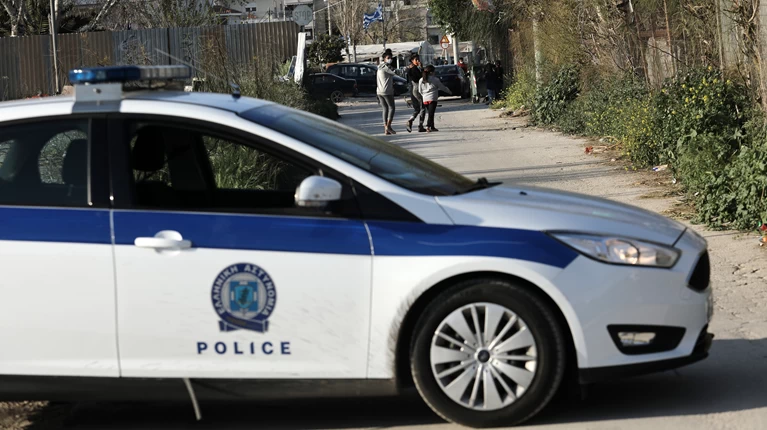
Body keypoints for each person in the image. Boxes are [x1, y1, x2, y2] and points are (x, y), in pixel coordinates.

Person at [418, 64, 452, 133]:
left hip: (425, 99)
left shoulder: (421, 80)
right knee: (431, 114)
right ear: (431, 72)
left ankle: (432, 127)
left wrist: (424, 95)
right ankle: (428, 126)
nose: (434, 73)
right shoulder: (435, 79)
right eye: (434, 72)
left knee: (430, 113)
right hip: (432, 98)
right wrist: (449, 92)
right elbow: (442, 87)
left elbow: (419, 90)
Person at [377, 49, 398, 135]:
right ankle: (388, 126)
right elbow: (395, 73)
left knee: (385, 108)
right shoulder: (386, 67)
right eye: (388, 58)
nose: (390, 59)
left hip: (379, 91)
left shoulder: (379, 66)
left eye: (391, 58)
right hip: (387, 91)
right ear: (384, 58)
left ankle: (385, 128)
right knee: (392, 107)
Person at [405, 53, 426, 133]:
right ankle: (420, 125)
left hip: (413, 90)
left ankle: (411, 120)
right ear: (412, 61)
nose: (418, 61)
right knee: (423, 107)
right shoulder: (414, 69)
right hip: (417, 89)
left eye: (418, 59)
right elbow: (422, 78)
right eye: (416, 60)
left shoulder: (410, 69)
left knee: (417, 108)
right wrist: (422, 69)